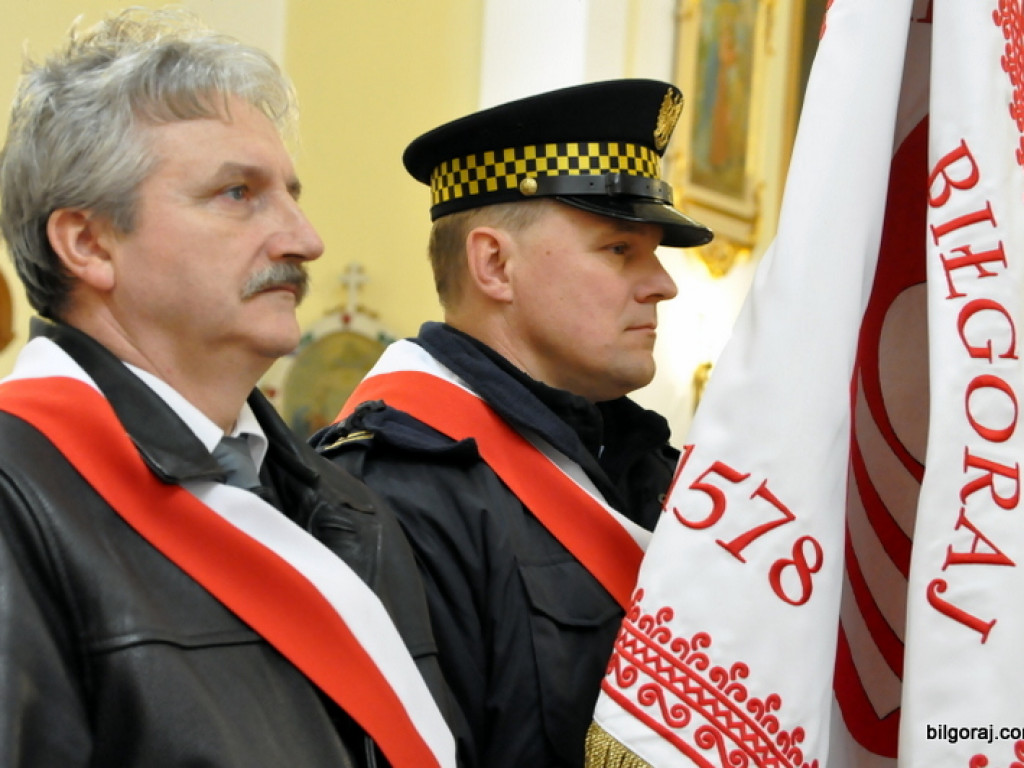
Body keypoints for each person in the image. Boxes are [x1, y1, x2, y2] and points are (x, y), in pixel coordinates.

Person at [0, 9, 461, 768]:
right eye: (237, 194)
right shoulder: (20, 492)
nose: (304, 238)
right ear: (88, 243)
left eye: (290, 192)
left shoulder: (347, 509)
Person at [313, 80, 713, 768]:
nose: (662, 283)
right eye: (620, 249)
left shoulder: (643, 465)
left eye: (654, 251)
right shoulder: (392, 489)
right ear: (494, 264)